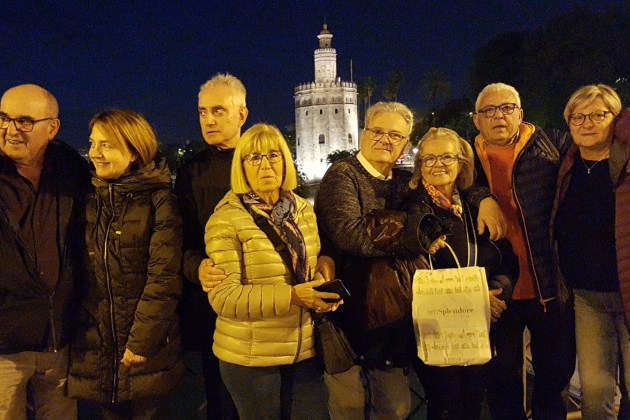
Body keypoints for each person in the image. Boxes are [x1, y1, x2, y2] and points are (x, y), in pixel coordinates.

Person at [315, 102, 504, 420]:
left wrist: (483, 198)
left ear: (405, 143)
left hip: (392, 319)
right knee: (349, 408)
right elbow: (354, 236)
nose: (385, 140)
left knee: (396, 409)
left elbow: (451, 183)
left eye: (395, 135)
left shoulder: (403, 181)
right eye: (377, 131)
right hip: (349, 314)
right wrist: (418, 236)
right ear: (363, 133)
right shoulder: (342, 175)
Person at [367, 127, 519, 419]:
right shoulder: (408, 210)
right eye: (429, 158)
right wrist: (473, 296)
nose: (437, 165)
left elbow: (506, 260)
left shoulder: (478, 208)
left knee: (474, 401)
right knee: (445, 404)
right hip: (434, 326)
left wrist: (500, 290)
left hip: (481, 323)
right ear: (419, 164)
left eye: (446, 157)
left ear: (461, 162)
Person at [204, 123, 335, 420]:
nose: (266, 164)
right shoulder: (226, 219)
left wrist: (322, 289)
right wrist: (292, 296)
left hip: (303, 350)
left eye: (274, 155)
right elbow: (224, 298)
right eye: (254, 157)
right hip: (251, 357)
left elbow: (309, 269)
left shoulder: (302, 210)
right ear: (242, 166)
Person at [67, 109, 184, 419]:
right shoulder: (88, 199)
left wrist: (140, 343)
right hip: (98, 349)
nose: (95, 153)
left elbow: (163, 278)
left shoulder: (159, 201)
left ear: (134, 152)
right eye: (93, 143)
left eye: (107, 145)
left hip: (147, 351)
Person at [471, 82, 576, 419]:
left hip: (548, 282)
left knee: (557, 370)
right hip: (497, 288)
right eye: (489, 110)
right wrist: (480, 196)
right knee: (501, 377)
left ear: (520, 113)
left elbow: (598, 150)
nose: (498, 115)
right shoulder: (466, 157)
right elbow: (439, 183)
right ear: (476, 120)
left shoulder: (551, 144)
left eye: (506, 108)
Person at [0, 84, 91, 419]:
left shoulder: (73, 172)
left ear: (51, 128)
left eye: (24, 121)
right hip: (4, 347)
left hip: (60, 339)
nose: (10, 130)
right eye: (4, 118)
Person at [551, 84, 630, 419]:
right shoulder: (566, 166)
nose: (587, 123)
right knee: (595, 391)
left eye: (598, 114)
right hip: (587, 298)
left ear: (616, 118)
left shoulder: (625, 164)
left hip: (627, 292)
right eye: (577, 116)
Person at [174, 73, 248, 420]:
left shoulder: (265, 162)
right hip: (213, 308)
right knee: (220, 402)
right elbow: (181, 239)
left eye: (218, 111)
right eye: (203, 112)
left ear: (242, 115)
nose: (209, 120)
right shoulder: (191, 172)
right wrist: (196, 267)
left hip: (264, 309)